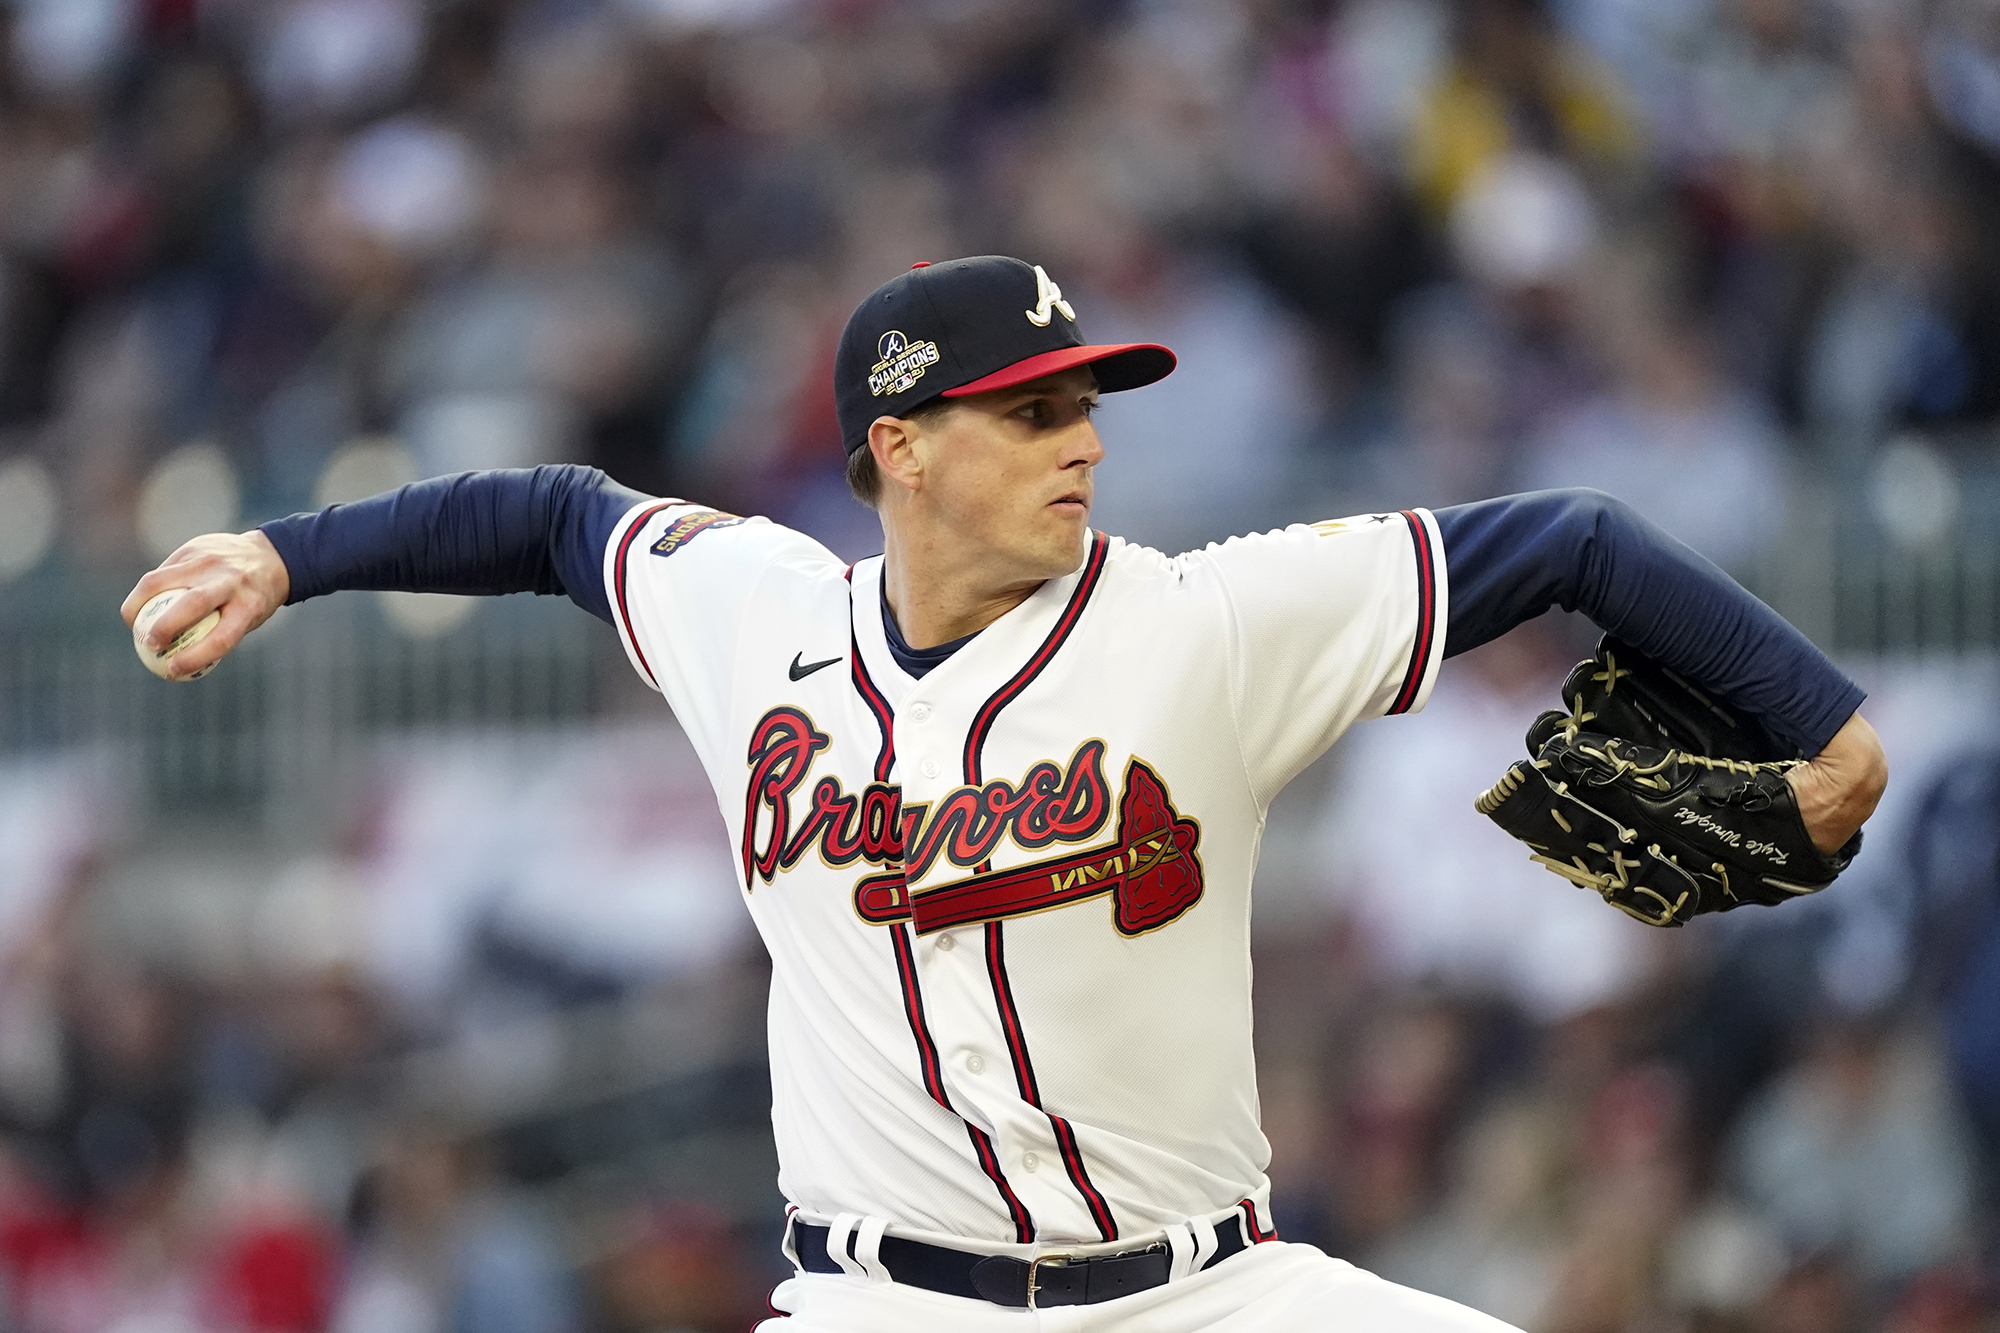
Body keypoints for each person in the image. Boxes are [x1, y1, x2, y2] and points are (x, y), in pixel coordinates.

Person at [123, 256, 1887, 1331]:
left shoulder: (1202, 625)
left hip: (1212, 1294)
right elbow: (553, 518)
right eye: (1030, 410)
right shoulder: (758, 619)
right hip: (880, 1304)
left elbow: (1567, 541)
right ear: (898, 447)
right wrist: (290, 552)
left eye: (1085, 403)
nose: (1085, 441)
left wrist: (1822, 725)